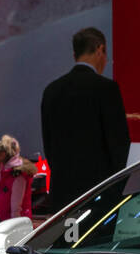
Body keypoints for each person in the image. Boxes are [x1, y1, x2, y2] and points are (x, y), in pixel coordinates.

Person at [40, 27, 130, 212]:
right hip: (99, 196)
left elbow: (48, 145)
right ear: (100, 50)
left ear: (75, 54)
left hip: (62, 196)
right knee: (99, 242)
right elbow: (119, 147)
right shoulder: (107, 89)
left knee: (64, 241)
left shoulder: (51, 91)